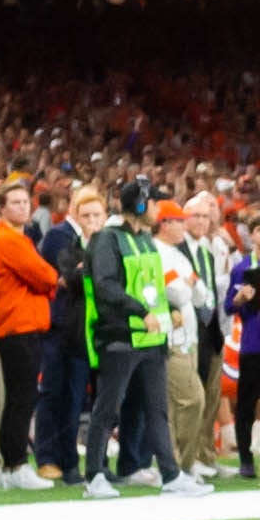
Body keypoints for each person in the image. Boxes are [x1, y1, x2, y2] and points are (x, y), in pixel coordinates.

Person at [77, 188, 203, 498]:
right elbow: (106, 286)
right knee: (107, 408)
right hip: (119, 336)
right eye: (154, 203)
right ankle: (94, 475)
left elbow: (151, 286)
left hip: (151, 337)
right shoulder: (107, 240)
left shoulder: (145, 239)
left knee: (156, 410)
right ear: (141, 205)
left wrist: (167, 311)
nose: (158, 209)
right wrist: (141, 312)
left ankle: (171, 474)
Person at [35, 182, 99, 482]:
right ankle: (48, 457)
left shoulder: (101, 241)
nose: (92, 220)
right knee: (53, 392)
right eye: (86, 213)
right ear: (75, 210)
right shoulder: (58, 236)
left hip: (86, 327)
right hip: (59, 325)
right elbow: (68, 278)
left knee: (75, 396)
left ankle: (71, 459)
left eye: (96, 214)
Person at [151, 201, 212, 481]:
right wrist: (188, 284)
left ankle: (178, 464)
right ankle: (180, 464)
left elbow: (201, 295)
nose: (184, 225)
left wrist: (187, 285)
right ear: (164, 224)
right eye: (178, 220)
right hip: (171, 337)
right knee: (191, 399)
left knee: (178, 404)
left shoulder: (179, 254)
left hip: (189, 336)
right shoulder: (156, 252)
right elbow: (178, 294)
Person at [225, 214, 260, 479]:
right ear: (252, 234)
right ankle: (245, 458)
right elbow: (228, 306)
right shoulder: (242, 267)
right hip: (254, 343)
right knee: (246, 403)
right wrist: (239, 298)